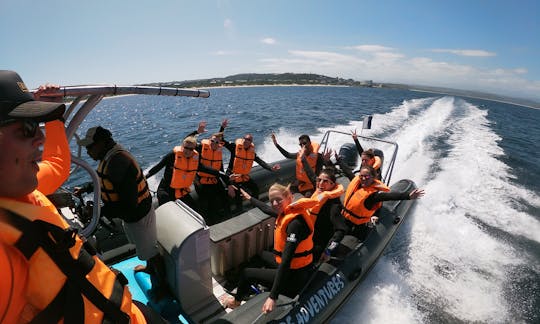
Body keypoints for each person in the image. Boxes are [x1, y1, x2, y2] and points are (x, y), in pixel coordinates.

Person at [0, 70, 153, 323]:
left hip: (129, 313)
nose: (40, 138)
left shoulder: (20, 183)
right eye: (27, 129)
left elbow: (58, 164)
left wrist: (53, 117)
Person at [75, 126, 168, 300]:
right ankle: (149, 268)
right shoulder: (109, 158)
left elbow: (129, 204)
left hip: (139, 215)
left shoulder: (118, 162)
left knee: (151, 252)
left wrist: (99, 210)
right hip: (130, 216)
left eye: (90, 146)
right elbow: (105, 181)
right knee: (143, 248)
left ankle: (163, 287)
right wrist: (87, 188)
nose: (87, 151)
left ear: (102, 143)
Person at [223, 183, 317, 314]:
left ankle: (236, 302)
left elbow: (286, 261)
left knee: (247, 273)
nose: (274, 203)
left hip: (293, 277)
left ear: (289, 197)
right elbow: (266, 209)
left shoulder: (295, 224)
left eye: (278, 200)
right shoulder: (288, 211)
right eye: (272, 200)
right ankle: (245, 286)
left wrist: (273, 297)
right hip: (293, 268)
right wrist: (250, 198)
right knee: (261, 254)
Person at [145, 130, 230, 219]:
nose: (188, 151)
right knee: (169, 214)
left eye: (191, 149)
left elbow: (206, 168)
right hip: (166, 190)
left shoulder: (194, 159)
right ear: (182, 147)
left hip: (182, 191)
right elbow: (157, 168)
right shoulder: (173, 156)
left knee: (196, 213)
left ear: (194, 150)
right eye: (186, 147)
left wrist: (222, 174)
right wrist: (144, 177)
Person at [341, 165, 425, 240]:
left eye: (366, 176)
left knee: (361, 236)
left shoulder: (373, 195)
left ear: (373, 177)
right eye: (361, 176)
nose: (363, 179)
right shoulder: (357, 183)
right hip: (345, 218)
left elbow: (389, 196)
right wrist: (334, 161)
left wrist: (408, 196)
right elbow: (348, 172)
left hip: (359, 224)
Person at [224, 133, 280, 212]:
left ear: (251, 142)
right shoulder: (235, 147)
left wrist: (271, 168)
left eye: (248, 140)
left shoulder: (252, 153)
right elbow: (223, 142)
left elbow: (261, 162)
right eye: (245, 139)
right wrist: (222, 127)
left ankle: (255, 207)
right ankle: (238, 212)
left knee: (255, 189)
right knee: (238, 195)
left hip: (243, 176)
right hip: (232, 177)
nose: (246, 141)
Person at [308, 168, 348, 261]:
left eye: (325, 181)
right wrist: (302, 159)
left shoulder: (334, 206)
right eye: (319, 180)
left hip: (319, 242)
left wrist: (328, 251)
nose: (321, 183)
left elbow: (341, 230)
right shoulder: (319, 192)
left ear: (332, 185)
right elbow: (310, 174)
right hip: (309, 235)